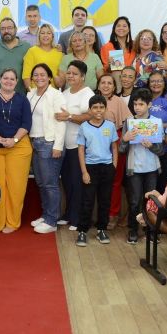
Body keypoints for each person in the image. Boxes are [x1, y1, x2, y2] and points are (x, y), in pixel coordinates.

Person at [0, 69, 32, 233]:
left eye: (12, 78)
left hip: (19, 148)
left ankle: (12, 222)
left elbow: (26, 124)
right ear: (0, 79)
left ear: (16, 81)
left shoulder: (22, 99)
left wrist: (14, 140)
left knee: (16, 186)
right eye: (5, 78)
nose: (8, 81)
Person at [120, 88, 164, 244]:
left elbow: (161, 151)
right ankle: (133, 230)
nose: (137, 107)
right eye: (135, 104)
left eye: (141, 104)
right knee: (134, 201)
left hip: (152, 169)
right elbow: (121, 150)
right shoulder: (129, 122)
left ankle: (150, 230)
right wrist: (125, 139)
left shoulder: (155, 123)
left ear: (149, 105)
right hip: (135, 169)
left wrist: (151, 145)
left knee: (150, 200)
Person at [27, 63, 67, 234]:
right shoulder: (30, 94)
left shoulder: (55, 95)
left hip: (49, 143)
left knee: (50, 184)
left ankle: (52, 221)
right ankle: (46, 214)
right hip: (34, 143)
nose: (39, 78)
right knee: (41, 182)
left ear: (49, 77)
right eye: (35, 75)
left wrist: (58, 145)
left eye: (43, 74)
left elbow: (62, 121)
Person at [57, 60, 95, 231]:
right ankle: (68, 214)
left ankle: (77, 218)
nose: (70, 76)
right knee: (67, 182)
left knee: (77, 182)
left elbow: (90, 116)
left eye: (75, 74)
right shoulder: (64, 93)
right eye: (69, 72)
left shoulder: (87, 93)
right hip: (64, 145)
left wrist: (70, 117)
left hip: (78, 146)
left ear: (83, 77)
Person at [75, 95, 118, 247]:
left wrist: (114, 166)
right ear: (90, 109)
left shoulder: (110, 126)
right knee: (87, 200)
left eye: (101, 107)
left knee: (105, 201)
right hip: (90, 167)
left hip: (107, 167)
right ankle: (82, 231)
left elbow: (114, 147)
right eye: (95, 107)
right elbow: (81, 150)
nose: (98, 110)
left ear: (105, 109)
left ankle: (101, 229)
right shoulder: (84, 127)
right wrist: (84, 172)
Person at [96, 73, 132, 230]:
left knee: (114, 181)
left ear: (114, 86)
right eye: (103, 82)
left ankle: (112, 214)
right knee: (96, 180)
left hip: (114, 141)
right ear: (98, 85)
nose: (106, 85)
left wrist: (123, 139)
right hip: (94, 142)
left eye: (109, 83)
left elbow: (129, 123)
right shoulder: (92, 100)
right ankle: (97, 215)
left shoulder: (118, 101)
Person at [22, 23, 63, 90]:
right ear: (39, 36)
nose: (45, 35)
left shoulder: (59, 53)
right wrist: (31, 93)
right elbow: (26, 76)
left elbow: (61, 79)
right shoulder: (32, 51)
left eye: (48, 33)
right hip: (36, 92)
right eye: (42, 33)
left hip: (53, 94)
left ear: (52, 36)